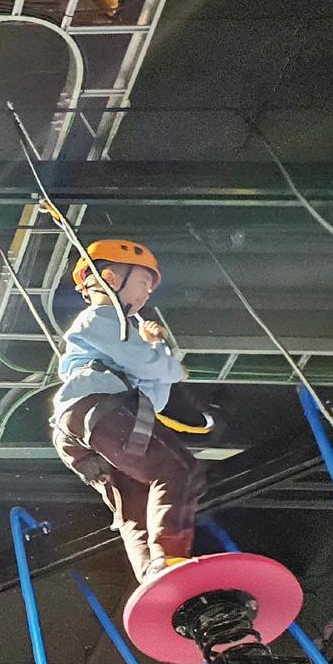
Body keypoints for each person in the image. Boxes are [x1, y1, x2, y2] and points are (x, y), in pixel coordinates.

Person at [51, 239, 200, 583]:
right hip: (96, 408)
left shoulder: (121, 338)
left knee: (137, 501)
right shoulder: (101, 318)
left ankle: (152, 574)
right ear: (110, 278)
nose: (147, 294)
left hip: (87, 424)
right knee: (178, 468)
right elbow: (147, 365)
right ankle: (170, 557)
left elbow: (153, 399)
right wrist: (169, 362)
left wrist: (157, 350)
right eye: (143, 283)